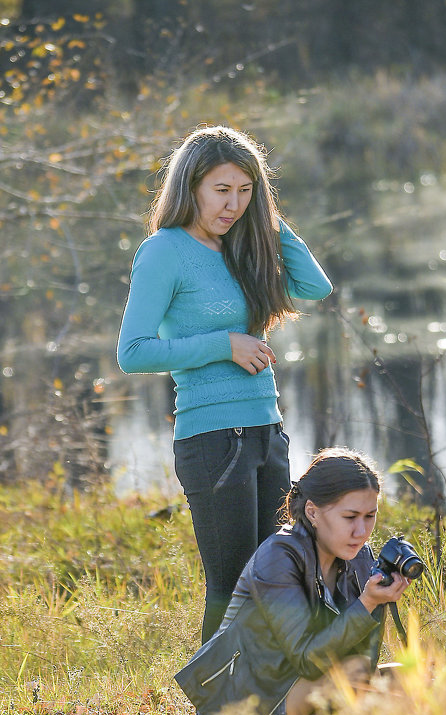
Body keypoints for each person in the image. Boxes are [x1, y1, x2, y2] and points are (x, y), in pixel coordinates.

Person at [117, 125, 333, 642]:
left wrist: (268, 223)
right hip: (214, 441)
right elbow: (133, 352)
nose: (233, 204)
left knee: (279, 578)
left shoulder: (242, 245)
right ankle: (210, 706)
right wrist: (225, 343)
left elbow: (316, 286)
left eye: (245, 190)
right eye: (221, 190)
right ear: (189, 186)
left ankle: (267, 699)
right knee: (231, 586)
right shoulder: (163, 251)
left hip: (267, 432)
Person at [174, 447, 412, 715]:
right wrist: (366, 603)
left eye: (370, 517)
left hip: (306, 694)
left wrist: (378, 601)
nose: (361, 531)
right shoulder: (278, 558)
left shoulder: (359, 557)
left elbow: (363, 659)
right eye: (350, 517)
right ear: (313, 512)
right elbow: (308, 659)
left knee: (415, 679)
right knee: (352, 682)